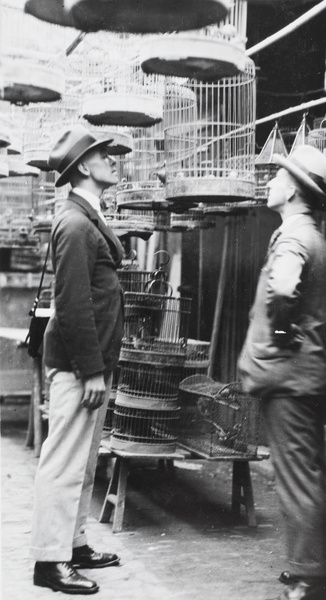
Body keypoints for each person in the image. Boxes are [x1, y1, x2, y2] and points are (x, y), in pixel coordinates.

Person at [238, 145, 326, 600]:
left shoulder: (295, 236)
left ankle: (309, 578)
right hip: (305, 375)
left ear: (296, 191)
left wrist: (279, 332)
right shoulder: (310, 233)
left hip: (290, 376)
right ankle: (315, 565)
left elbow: (283, 287)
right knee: (310, 472)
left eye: (279, 177)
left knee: (297, 474)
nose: (271, 183)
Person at [30, 124, 124, 595]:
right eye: (105, 153)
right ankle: (50, 560)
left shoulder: (87, 217)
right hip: (77, 367)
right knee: (63, 462)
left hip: (92, 365)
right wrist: (90, 369)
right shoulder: (74, 223)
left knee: (83, 463)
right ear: (84, 165)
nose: (115, 159)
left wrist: (99, 367)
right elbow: (71, 305)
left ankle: (74, 543)